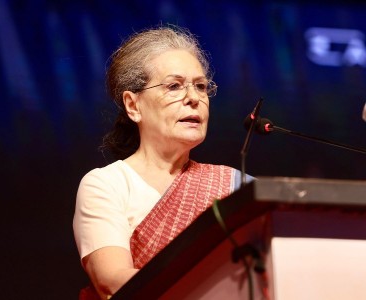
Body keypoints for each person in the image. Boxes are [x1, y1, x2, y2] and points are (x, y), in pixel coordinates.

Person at [73, 25, 253, 300]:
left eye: (201, 87)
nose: (194, 98)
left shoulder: (236, 184)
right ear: (133, 105)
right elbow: (112, 281)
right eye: (174, 86)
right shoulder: (108, 185)